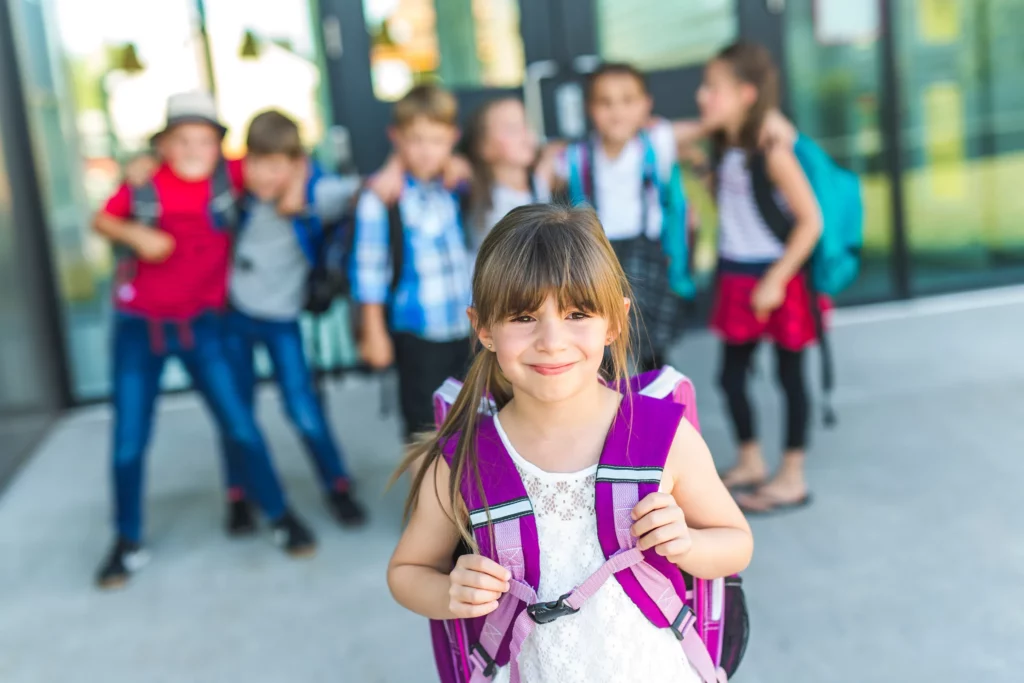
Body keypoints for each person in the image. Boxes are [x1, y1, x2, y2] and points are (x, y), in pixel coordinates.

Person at [387, 204, 752, 682]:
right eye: (523, 317)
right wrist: (448, 592)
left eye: (577, 313)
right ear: (483, 328)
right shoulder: (464, 462)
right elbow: (408, 570)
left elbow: (735, 542)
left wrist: (686, 544)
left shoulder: (663, 437)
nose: (552, 340)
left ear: (614, 321)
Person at [91, 92, 316, 589]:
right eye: (182, 139)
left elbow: (286, 157)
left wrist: (297, 182)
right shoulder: (145, 184)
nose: (194, 148)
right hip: (138, 329)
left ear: (219, 146)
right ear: (165, 144)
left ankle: (278, 514)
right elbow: (102, 218)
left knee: (240, 425)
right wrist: (136, 235)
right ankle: (126, 540)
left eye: (205, 139)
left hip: (204, 325)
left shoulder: (231, 176)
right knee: (128, 441)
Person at [217, 110, 366, 532]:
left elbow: (368, 189)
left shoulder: (318, 193)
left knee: (303, 408)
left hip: (282, 321)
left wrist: (302, 185)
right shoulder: (235, 194)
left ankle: (337, 486)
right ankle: (238, 495)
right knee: (236, 413)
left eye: (277, 167)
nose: (263, 177)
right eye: (256, 164)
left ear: (297, 163)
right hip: (235, 316)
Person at [697, 42, 822, 514]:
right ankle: (751, 460)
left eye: (713, 88)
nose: (702, 96)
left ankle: (792, 476)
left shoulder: (772, 150)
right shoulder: (724, 147)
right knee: (730, 377)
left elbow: (811, 222)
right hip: (736, 275)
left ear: (746, 94)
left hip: (776, 278)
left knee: (790, 377)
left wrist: (775, 279)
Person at [351, 84, 474, 442]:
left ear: (453, 138)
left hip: (465, 329)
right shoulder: (383, 197)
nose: (425, 150)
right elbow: (368, 271)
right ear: (396, 138)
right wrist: (373, 332)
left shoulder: (456, 184)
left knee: (472, 422)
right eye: (415, 139)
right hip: (418, 332)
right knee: (425, 430)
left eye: (436, 140)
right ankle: (427, 497)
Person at [558, 63, 689, 374]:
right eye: (605, 103)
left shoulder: (655, 143)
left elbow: (709, 125)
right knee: (600, 346)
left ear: (646, 105)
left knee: (650, 346)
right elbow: (538, 170)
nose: (617, 112)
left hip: (647, 254)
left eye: (628, 101)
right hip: (597, 255)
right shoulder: (576, 156)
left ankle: (654, 409)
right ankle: (607, 412)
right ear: (590, 109)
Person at [461, 97, 555, 254]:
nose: (525, 134)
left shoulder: (540, 181)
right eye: (512, 129)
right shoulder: (472, 192)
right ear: (483, 146)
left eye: (525, 124)